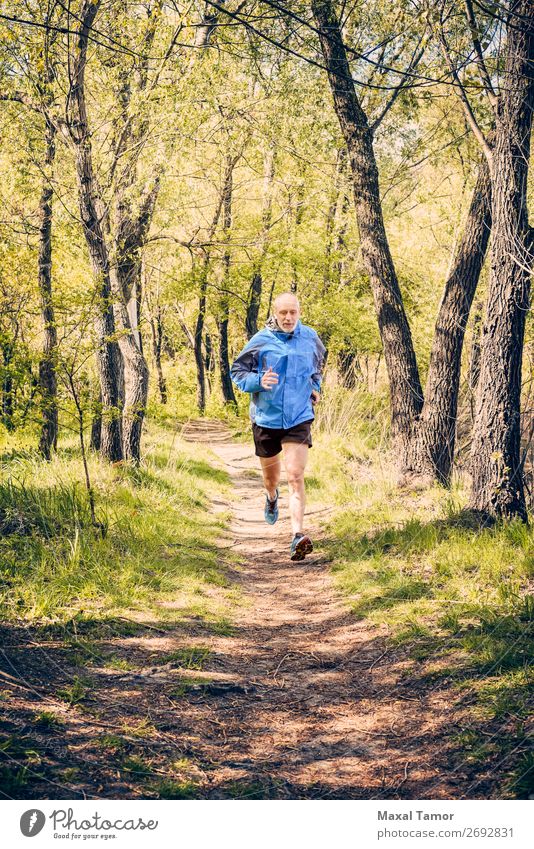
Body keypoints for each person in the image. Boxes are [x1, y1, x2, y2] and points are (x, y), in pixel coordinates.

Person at [230, 292, 326, 561]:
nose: (288, 318)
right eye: (283, 313)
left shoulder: (310, 338)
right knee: (271, 479)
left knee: (295, 475)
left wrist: (315, 387)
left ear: (299, 311)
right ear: (275, 312)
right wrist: (259, 381)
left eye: (293, 312)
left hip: (299, 416)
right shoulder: (261, 340)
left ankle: (297, 536)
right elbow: (237, 372)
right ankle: (271, 496)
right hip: (266, 419)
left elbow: (318, 365)